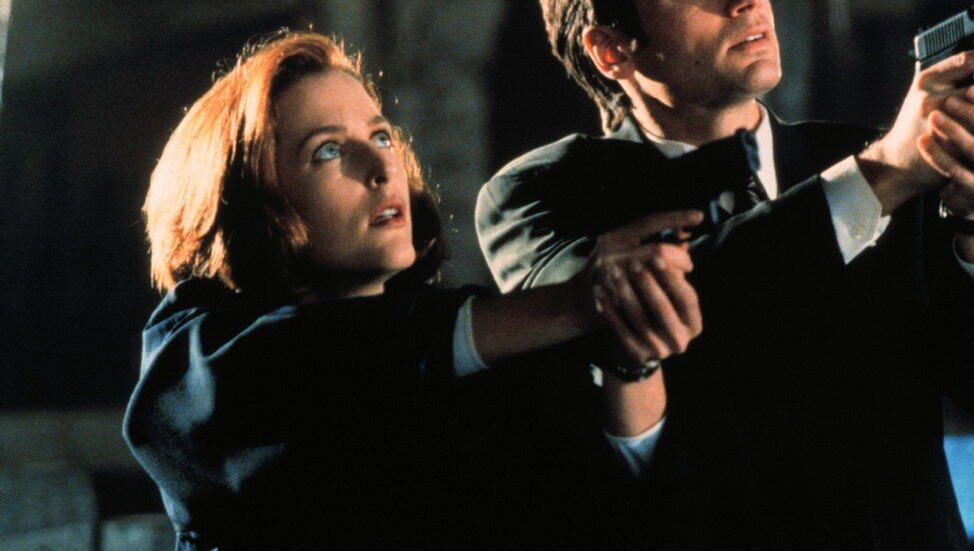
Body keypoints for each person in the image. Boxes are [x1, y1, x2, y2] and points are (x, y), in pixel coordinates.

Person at [475, 0, 974, 548]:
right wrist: (882, 175)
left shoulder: (880, 161)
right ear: (612, 50)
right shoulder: (541, 196)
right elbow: (645, 310)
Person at [123, 31, 704, 549]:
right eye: (327, 150)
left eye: (381, 135)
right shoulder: (196, 364)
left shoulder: (465, 356)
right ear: (247, 204)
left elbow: (619, 504)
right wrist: (578, 301)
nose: (381, 166)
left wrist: (631, 350)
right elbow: (324, 363)